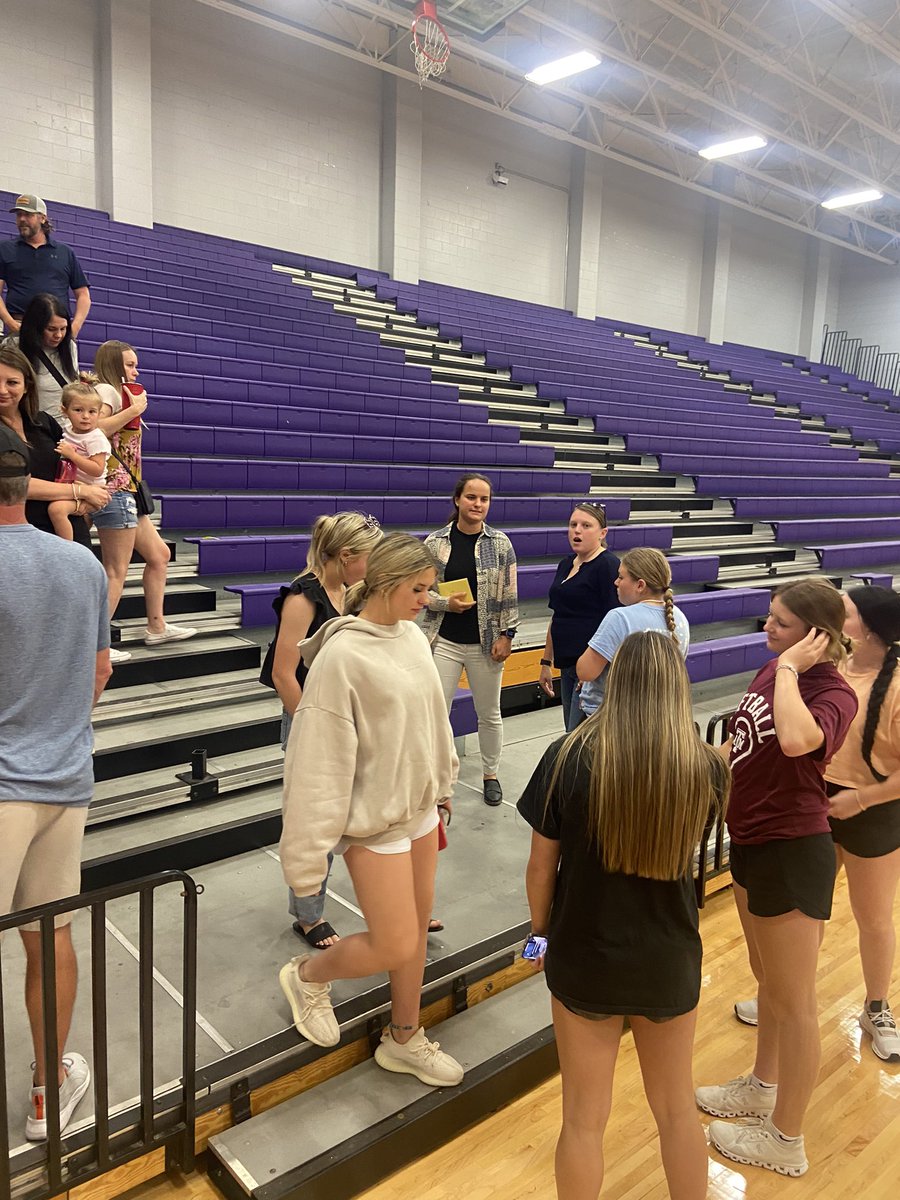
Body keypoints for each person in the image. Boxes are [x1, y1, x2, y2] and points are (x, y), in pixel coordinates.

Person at [519, 632, 730, 1200]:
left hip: (583, 955)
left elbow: (540, 870)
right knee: (677, 1112)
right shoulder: (705, 766)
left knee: (582, 1121)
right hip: (669, 958)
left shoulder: (568, 756)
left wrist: (539, 939)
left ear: (615, 679)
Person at [278, 534, 464, 1088]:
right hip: (372, 822)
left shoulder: (412, 637)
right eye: (418, 589)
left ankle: (403, 1038)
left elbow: (432, 718)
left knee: (415, 933)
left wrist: (443, 779)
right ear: (384, 583)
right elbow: (316, 764)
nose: (426, 600)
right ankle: (307, 975)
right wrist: (305, 863)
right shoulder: (342, 657)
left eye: (429, 589)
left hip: (419, 809)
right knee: (395, 942)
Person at [696, 578, 857, 1178]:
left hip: (793, 848)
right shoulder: (772, 670)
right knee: (766, 979)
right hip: (752, 840)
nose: (767, 628)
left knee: (796, 1004)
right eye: (769, 617)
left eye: (780, 622)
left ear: (816, 636)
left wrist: (790, 669)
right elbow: (745, 745)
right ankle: (762, 1085)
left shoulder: (833, 693)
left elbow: (794, 741)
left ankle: (787, 1137)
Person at [0, 424, 112, 1141]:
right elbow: (99, 671)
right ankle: (47, 1096)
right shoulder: (83, 564)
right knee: (50, 936)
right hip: (63, 777)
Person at [735, 586, 900, 1063]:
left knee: (873, 917)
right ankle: (785, 995)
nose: (835, 618)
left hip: (873, 809)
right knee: (806, 916)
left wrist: (862, 799)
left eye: (845, 612)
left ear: (868, 629)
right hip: (818, 801)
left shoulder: (891, 684)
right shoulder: (823, 670)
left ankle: (877, 1006)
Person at [263, 510, 383, 948]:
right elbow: (283, 674)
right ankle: (308, 916)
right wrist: (312, 727)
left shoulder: (349, 591)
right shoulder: (303, 597)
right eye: (368, 557)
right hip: (310, 718)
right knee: (313, 822)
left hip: (344, 716)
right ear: (346, 555)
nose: (372, 566)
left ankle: (388, 899)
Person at [91, 340, 195, 658]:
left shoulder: (119, 393)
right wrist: (134, 410)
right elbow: (95, 429)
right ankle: (95, 646)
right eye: (130, 364)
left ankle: (157, 626)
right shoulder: (107, 392)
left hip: (128, 490)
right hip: (115, 489)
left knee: (159, 555)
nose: (135, 371)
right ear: (113, 364)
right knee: (115, 570)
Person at [422, 473, 518, 806]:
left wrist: (508, 635)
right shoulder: (435, 542)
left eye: (484, 499)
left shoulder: (500, 544)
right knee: (437, 712)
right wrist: (445, 603)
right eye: (471, 497)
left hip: (486, 643)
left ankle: (490, 774)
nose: (478, 504)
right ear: (457, 500)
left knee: (489, 713)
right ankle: (437, 777)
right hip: (444, 640)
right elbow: (422, 592)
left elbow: (510, 595)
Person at [0, 346, 108, 549]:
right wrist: (80, 491)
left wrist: (87, 497)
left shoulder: (43, 421)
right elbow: (13, 484)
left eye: (12, 382)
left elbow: (71, 467)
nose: (2, 390)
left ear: (26, 386)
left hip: (69, 530)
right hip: (17, 539)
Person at [576, 547, 689, 718]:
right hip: (656, 714)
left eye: (621, 577)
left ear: (640, 585)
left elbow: (585, 671)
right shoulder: (679, 618)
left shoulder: (620, 618)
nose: (616, 582)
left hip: (611, 716)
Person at [539, 502, 620, 731]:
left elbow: (614, 622)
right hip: (567, 664)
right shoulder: (566, 564)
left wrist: (593, 670)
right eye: (573, 524)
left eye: (586, 525)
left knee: (578, 735)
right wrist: (546, 661)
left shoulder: (608, 565)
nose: (577, 530)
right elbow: (557, 615)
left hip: (592, 669)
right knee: (570, 731)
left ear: (602, 533)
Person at [0, 195, 91, 336]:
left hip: (57, 331)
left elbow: (83, 295)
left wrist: (74, 328)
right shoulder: (5, 249)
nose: (22, 219)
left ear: (43, 218)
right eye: (19, 215)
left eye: (28, 214)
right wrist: (10, 323)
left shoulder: (65, 252)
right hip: (20, 326)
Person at [48, 379, 110, 540]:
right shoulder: (67, 430)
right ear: (64, 411)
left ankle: (68, 547)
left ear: (99, 413)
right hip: (73, 485)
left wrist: (73, 456)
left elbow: (97, 470)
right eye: (78, 410)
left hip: (92, 489)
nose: (85, 416)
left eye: (92, 411)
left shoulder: (95, 438)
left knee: (57, 510)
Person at [4, 292, 79, 414]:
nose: (58, 335)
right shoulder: (14, 345)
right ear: (35, 327)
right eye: (51, 329)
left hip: (65, 421)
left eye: (63, 329)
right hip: (32, 419)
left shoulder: (70, 346)